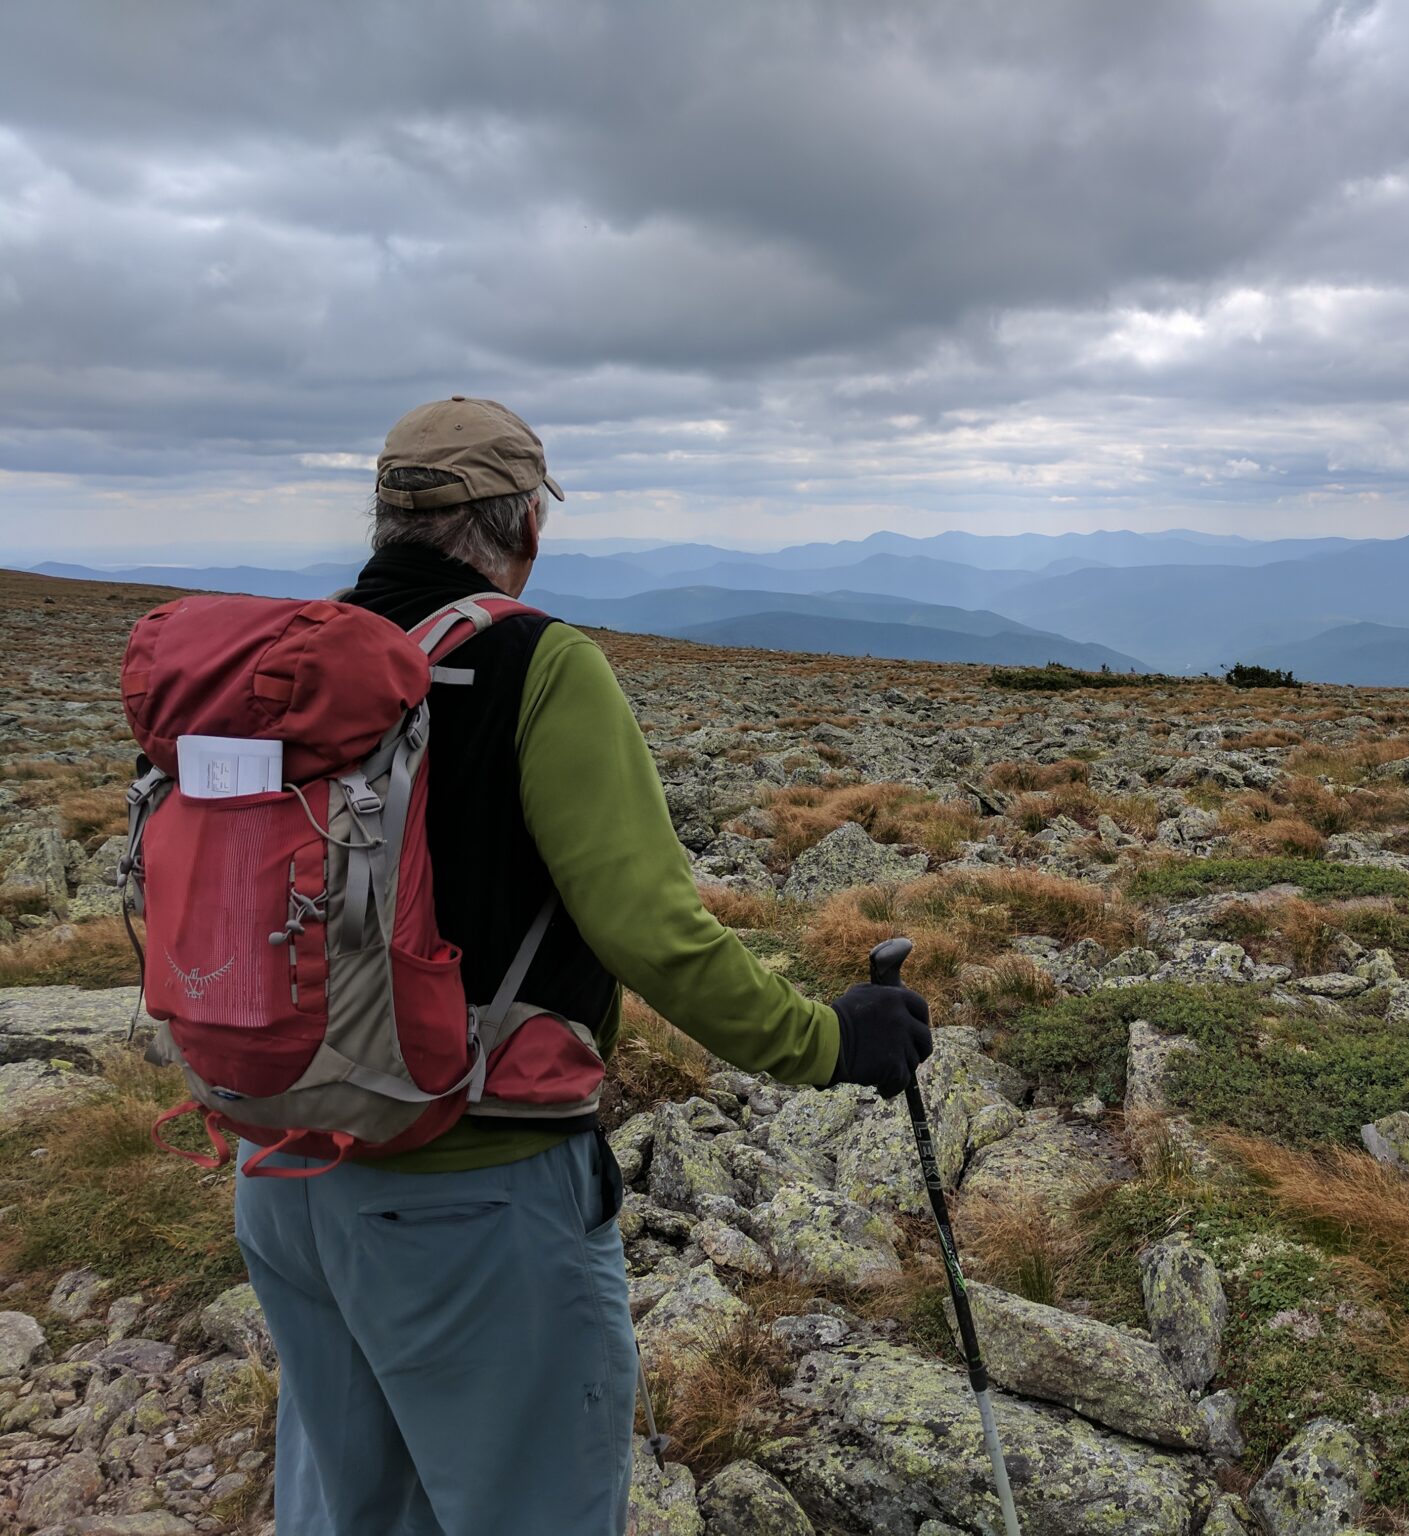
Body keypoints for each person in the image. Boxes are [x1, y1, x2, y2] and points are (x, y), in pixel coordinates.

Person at [233, 396, 934, 1535]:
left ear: (383, 520)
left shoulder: (286, 663)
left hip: (281, 1170)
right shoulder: (540, 665)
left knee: (351, 1507)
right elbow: (651, 932)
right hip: (470, 1192)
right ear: (526, 526)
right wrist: (832, 1039)